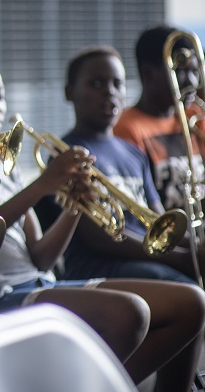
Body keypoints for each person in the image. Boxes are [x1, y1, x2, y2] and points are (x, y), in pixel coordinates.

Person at [0, 48, 205, 392]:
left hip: (36, 282)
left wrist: (74, 205)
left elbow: (41, 256)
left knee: (191, 303)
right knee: (129, 313)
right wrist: (41, 186)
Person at [35, 45, 202, 285]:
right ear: (70, 92)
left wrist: (194, 247)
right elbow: (97, 238)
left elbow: (157, 218)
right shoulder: (65, 155)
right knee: (188, 291)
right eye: (97, 84)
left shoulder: (133, 152)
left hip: (148, 258)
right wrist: (179, 258)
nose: (110, 92)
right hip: (100, 267)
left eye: (117, 84)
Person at [113, 25, 205, 213]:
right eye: (181, 71)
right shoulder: (126, 128)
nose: (192, 82)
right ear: (148, 73)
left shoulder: (194, 116)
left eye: (195, 71)